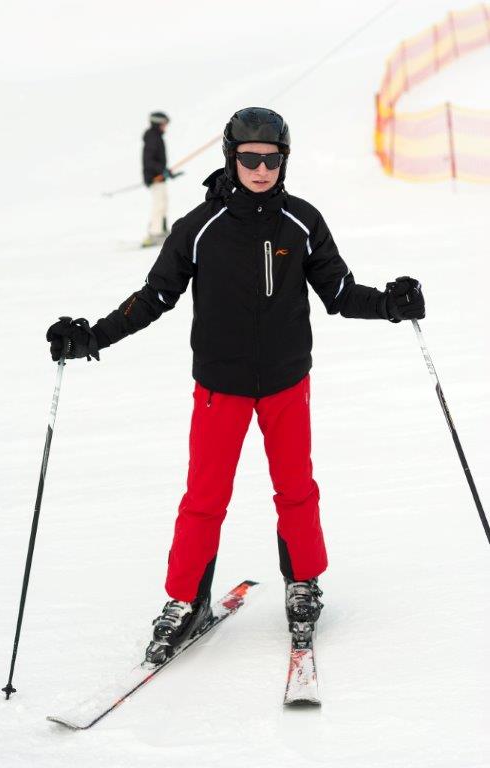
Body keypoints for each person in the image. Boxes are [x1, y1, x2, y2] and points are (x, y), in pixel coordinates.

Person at [47, 107, 425, 664]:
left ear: (284, 160)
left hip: (285, 382)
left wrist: (392, 305)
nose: (261, 168)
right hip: (219, 386)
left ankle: (303, 583)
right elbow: (154, 298)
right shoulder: (199, 227)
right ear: (232, 157)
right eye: (250, 158)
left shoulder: (302, 222)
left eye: (272, 158)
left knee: (296, 488)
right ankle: (186, 601)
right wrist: (93, 335)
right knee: (204, 497)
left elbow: (341, 294)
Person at [141, 111, 174, 248]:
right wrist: (162, 170)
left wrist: (166, 172)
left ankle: (161, 229)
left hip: (158, 176)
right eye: (164, 124)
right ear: (158, 123)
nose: (165, 127)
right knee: (159, 205)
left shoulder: (156, 137)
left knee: (163, 203)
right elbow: (149, 161)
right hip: (154, 177)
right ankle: (155, 234)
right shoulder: (153, 138)